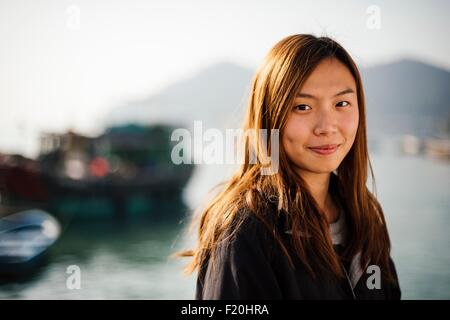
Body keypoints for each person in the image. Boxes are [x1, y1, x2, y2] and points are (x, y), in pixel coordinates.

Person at [180, 34, 401, 300]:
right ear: (269, 117)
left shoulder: (364, 218)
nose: (327, 126)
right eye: (303, 107)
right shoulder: (247, 230)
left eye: (342, 104)